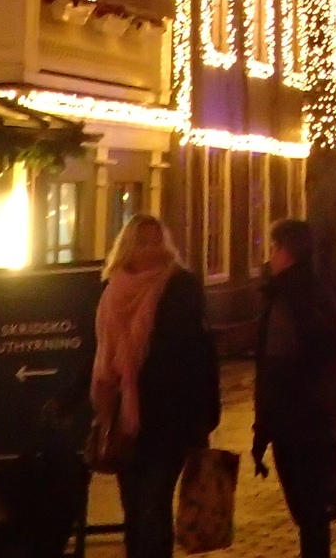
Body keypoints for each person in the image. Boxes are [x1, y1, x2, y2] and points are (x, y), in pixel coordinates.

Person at [90, 215, 220, 558]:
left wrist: (205, 417)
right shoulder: (112, 292)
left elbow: (198, 354)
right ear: (127, 248)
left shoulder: (181, 287)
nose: (150, 249)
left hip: (168, 421)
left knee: (153, 508)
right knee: (134, 511)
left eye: (156, 241)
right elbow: (100, 355)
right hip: (124, 423)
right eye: (142, 242)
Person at [253, 219, 336, 558]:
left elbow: (275, 369)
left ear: (287, 252)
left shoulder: (283, 300)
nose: (270, 257)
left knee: (306, 507)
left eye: (274, 249)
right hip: (321, 417)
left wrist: (263, 429)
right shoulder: (319, 293)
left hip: (293, 421)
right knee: (316, 508)